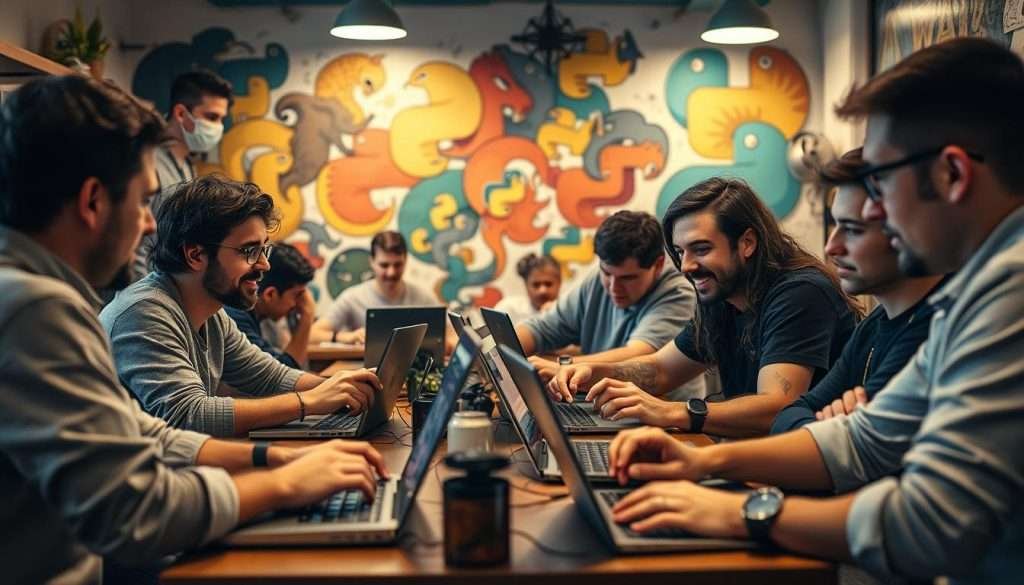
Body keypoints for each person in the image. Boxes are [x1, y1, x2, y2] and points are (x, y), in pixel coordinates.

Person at [604, 38, 1024, 584]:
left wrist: (742, 512)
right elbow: (862, 438)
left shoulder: (1010, 289)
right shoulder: (972, 292)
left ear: (951, 174)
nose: (874, 210)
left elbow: (930, 525)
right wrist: (701, 463)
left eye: (879, 182)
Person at [0, 75, 386, 585]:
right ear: (93, 202)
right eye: (141, 202)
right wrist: (286, 483)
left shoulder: (35, 294)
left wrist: (275, 457)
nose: (149, 224)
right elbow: (137, 512)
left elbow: (147, 433)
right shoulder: (35, 309)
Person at [552, 179, 858, 438]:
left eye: (701, 249)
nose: (686, 266)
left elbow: (777, 406)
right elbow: (659, 371)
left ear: (747, 243)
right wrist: (588, 371)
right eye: (680, 251)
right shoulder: (722, 296)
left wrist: (672, 411)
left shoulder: (799, 292)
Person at [100, 175, 380, 437]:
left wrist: (344, 386)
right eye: (250, 251)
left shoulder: (212, 315)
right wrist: (309, 401)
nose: (264, 265)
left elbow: (269, 376)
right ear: (196, 255)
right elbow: (188, 415)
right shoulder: (142, 313)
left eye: (264, 250)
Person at [767, 148, 943, 432]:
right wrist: (828, 427)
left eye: (852, 229)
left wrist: (833, 430)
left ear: (903, 227)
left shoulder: (933, 326)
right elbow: (789, 414)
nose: (831, 247)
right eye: (834, 225)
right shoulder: (874, 325)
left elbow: (858, 444)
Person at [515, 210, 704, 400]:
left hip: (668, 420)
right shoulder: (598, 278)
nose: (613, 287)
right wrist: (499, 349)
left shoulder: (680, 293)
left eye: (627, 278)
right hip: (604, 405)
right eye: (606, 273)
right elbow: (539, 329)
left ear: (658, 265)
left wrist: (563, 367)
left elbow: (637, 354)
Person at [130, 70, 233, 285]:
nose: (218, 127)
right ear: (180, 113)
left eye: (222, 119)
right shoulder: (149, 163)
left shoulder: (187, 167)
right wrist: (141, 302)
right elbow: (136, 245)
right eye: (211, 117)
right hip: (143, 292)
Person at [313, 230, 437, 344]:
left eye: (398, 265)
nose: (391, 272)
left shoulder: (423, 297)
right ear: (371, 262)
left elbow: (450, 334)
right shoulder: (352, 298)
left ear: (405, 261)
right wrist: (345, 337)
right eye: (384, 265)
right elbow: (312, 334)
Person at [224, 242, 316, 369]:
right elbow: (283, 373)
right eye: (297, 296)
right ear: (270, 294)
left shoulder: (254, 315)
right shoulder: (235, 318)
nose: (299, 304)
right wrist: (307, 315)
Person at [494, 252, 561, 324]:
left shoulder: (571, 313)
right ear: (526, 285)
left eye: (548, 284)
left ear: (559, 283)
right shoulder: (507, 309)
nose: (542, 290)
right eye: (536, 285)